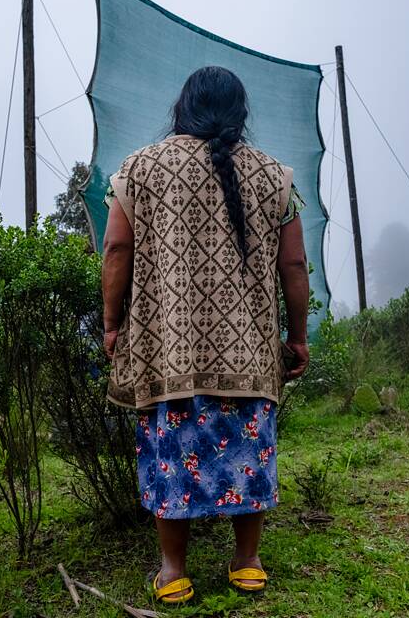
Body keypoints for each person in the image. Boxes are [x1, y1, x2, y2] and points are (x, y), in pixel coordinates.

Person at [100, 66, 311, 604]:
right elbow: (294, 266)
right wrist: (298, 336)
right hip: (249, 348)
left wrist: (112, 323)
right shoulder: (274, 176)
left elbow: (117, 251)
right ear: (240, 114)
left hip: (169, 349)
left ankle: (173, 572)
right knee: (247, 450)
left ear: (183, 108)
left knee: (172, 453)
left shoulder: (139, 168)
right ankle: (247, 564)